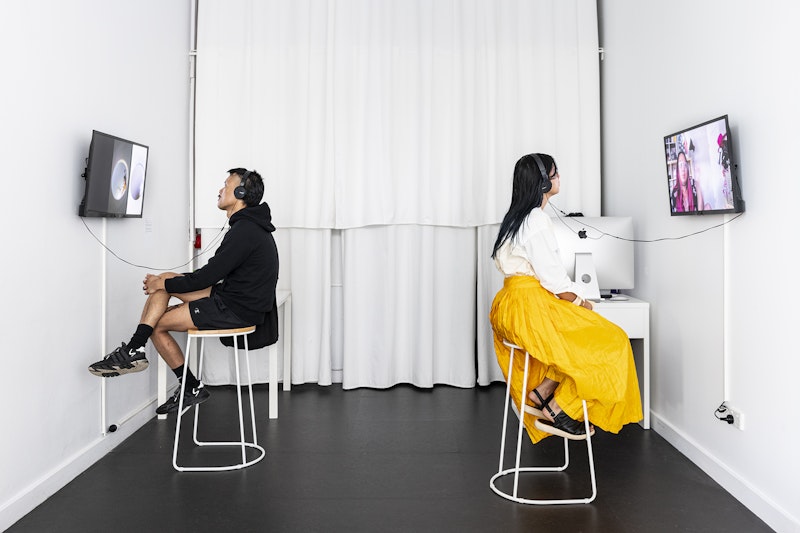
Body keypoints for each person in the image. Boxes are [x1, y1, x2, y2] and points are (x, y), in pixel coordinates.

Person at [88, 168, 279, 415]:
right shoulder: (248, 227)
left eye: (226, 185)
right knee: (166, 278)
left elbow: (209, 275)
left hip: (234, 309)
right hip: (230, 298)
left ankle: (184, 382)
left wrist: (164, 285)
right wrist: (165, 282)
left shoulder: (245, 231)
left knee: (156, 323)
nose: (220, 190)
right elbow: (211, 275)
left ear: (240, 192)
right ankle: (135, 350)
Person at [490, 153, 642, 441]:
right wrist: (581, 302)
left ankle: (543, 391)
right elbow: (554, 282)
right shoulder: (536, 220)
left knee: (575, 342)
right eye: (555, 173)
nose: (559, 178)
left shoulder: (517, 218)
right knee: (614, 341)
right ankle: (561, 408)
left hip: (511, 303)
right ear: (544, 182)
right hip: (528, 306)